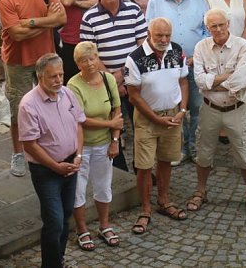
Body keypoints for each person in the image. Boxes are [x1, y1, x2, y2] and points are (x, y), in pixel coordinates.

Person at [0, 0, 67, 178]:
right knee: (18, 109)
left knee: (50, 102)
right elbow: (17, 35)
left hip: (45, 57)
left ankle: (48, 145)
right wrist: (47, 22)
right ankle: (19, 153)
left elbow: (62, 19)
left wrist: (32, 22)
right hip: (17, 61)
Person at [17, 54, 85, 268]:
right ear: (39, 76)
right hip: (46, 171)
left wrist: (79, 155)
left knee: (65, 216)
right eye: (52, 76)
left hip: (70, 164)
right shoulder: (28, 105)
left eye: (61, 75)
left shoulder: (67, 94)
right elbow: (30, 145)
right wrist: (56, 167)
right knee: (54, 221)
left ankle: (59, 260)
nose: (58, 80)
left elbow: (78, 126)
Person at [191, 8, 246, 215]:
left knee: (244, 153)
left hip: (236, 108)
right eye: (214, 26)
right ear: (207, 28)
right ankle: (200, 191)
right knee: (203, 153)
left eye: (221, 24)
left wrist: (211, 83)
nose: (218, 29)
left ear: (228, 24)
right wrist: (224, 78)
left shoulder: (243, 46)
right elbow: (198, 82)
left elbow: (240, 82)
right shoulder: (200, 47)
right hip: (209, 109)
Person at [124, 17, 189, 234]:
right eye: (159, 35)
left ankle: (164, 200)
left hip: (172, 115)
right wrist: (154, 118)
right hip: (146, 118)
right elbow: (133, 96)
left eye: (167, 35)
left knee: (166, 160)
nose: (164, 40)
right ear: (149, 34)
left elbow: (183, 81)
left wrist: (182, 110)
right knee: (143, 166)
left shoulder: (177, 50)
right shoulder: (135, 58)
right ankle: (145, 209)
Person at [146, 0, 209, 165]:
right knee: (175, 108)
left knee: (198, 108)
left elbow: (207, 32)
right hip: (169, 66)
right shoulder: (155, 2)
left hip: (195, 62)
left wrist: (197, 55)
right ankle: (180, 148)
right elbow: (149, 34)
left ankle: (195, 147)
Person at [80, 0, 148, 147]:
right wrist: (113, 81)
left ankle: (143, 151)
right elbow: (91, 55)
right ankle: (117, 144)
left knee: (140, 119)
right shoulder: (89, 18)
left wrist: (123, 75)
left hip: (135, 76)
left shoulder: (134, 11)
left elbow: (143, 48)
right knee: (112, 117)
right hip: (105, 79)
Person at [68, 41, 123, 251]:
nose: (89, 63)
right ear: (77, 63)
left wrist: (115, 140)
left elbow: (116, 111)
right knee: (78, 190)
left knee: (103, 186)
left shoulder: (108, 79)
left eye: (92, 58)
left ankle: (104, 225)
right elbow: (81, 119)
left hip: (104, 144)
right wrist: (110, 124)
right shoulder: (73, 85)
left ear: (98, 58)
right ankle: (82, 229)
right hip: (81, 146)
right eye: (84, 60)